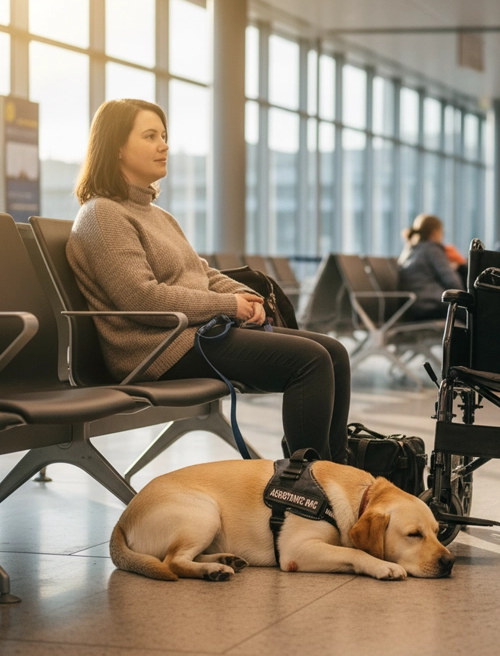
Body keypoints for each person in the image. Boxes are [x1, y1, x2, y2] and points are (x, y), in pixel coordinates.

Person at [68, 98, 350, 463]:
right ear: (116, 147)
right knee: (309, 361)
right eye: (150, 136)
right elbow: (142, 299)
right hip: (156, 350)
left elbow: (202, 273)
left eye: (164, 135)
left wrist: (246, 296)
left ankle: (339, 475)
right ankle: (308, 483)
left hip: (190, 336)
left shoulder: (158, 216)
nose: (164, 145)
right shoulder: (102, 215)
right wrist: (228, 305)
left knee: (334, 353)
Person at [398, 214, 463, 320]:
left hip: (413, 307)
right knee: (475, 315)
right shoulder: (432, 249)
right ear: (435, 232)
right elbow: (451, 280)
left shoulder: (409, 250)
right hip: (431, 306)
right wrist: (466, 298)